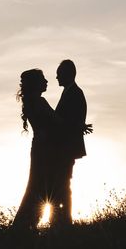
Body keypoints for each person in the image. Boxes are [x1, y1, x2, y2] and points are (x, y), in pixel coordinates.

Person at [12, 69, 61, 229]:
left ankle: (24, 226)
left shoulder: (33, 102)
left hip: (39, 148)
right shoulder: (40, 102)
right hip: (45, 150)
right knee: (44, 188)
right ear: (35, 83)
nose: (47, 81)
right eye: (43, 79)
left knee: (36, 187)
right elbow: (56, 122)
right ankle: (27, 227)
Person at [51, 59, 92, 227]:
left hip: (66, 148)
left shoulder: (75, 93)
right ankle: (61, 219)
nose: (56, 77)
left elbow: (70, 121)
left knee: (63, 183)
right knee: (61, 183)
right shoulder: (69, 92)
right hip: (64, 148)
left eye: (59, 74)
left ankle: (63, 221)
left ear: (68, 74)